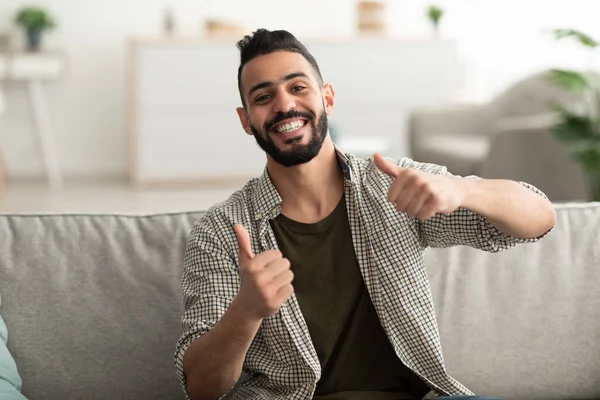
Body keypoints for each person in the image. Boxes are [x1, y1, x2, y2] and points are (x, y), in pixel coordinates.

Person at [174, 29, 555, 400]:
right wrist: (246, 311)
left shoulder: (394, 185)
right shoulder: (222, 231)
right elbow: (202, 388)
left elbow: (539, 217)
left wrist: (463, 190)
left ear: (328, 98)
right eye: (263, 96)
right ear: (246, 120)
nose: (285, 105)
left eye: (298, 87)